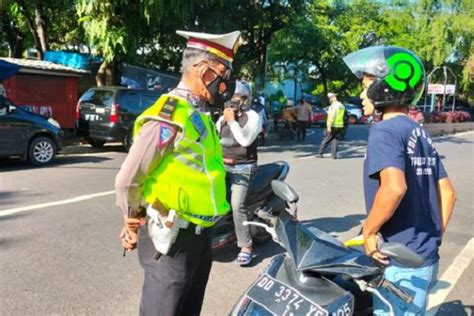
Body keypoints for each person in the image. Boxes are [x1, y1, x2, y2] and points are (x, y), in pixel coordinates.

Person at [115, 29, 241, 316]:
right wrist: (131, 222)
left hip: (199, 235)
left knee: (187, 308)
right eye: (222, 74)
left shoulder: (199, 113)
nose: (225, 84)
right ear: (204, 72)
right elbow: (128, 179)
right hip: (170, 238)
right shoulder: (170, 115)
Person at [343, 45, 456, 315]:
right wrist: (431, 238)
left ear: (385, 86)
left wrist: (369, 232)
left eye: (366, 83)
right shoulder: (419, 132)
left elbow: (394, 188)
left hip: (398, 260)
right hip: (424, 256)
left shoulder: (385, 130)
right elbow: (448, 193)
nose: (361, 94)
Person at [216, 80, 262, 266]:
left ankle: (246, 246)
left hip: (243, 167)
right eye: (230, 98)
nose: (233, 102)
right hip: (221, 165)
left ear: (245, 99)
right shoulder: (222, 118)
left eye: (237, 98)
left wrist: (232, 121)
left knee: (237, 205)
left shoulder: (253, 117)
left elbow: (244, 141)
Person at [316, 93, 345, 158]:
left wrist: (329, 126)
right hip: (339, 125)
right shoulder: (341, 105)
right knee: (335, 140)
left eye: (330, 98)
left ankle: (319, 153)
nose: (330, 100)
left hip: (333, 124)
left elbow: (332, 116)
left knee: (326, 139)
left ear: (332, 98)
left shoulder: (333, 106)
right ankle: (334, 155)